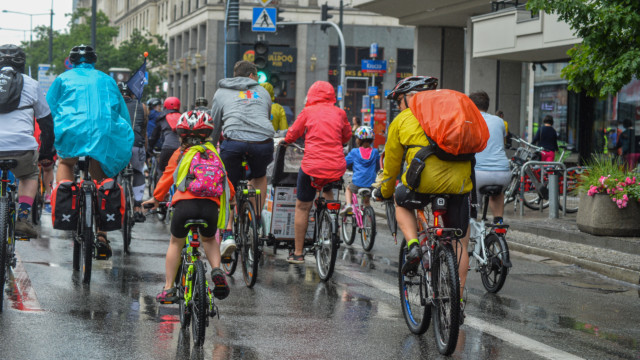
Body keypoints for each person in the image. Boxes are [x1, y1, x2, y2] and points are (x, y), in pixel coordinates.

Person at [372, 76, 473, 321]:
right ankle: (457, 302)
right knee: (459, 241)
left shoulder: (403, 120)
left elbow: (392, 167)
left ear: (409, 97)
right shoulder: (453, 113)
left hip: (423, 182)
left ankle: (414, 245)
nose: (398, 106)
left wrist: (383, 192)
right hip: (460, 181)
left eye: (399, 100)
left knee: (400, 201)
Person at [47, 44, 134, 257]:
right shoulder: (106, 79)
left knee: (66, 162)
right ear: (94, 61)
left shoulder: (62, 79)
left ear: (72, 61)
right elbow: (121, 112)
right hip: (101, 132)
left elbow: (48, 108)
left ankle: (67, 201)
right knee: (100, 170)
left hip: (71, 130)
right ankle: (102, 234)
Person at [143, 110, 234, 303]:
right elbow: (226, 183)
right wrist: (231, 199)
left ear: (181, 135)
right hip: (209, 209)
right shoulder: (213, 154)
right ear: (208, 135)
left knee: (176, 242)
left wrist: (156, 199)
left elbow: (168, 177)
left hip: (184, 208)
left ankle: (168, 289)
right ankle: (217, 270)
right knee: (209, 240)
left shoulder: (180, 154)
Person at [281, 81, 352, 264]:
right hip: (336, 166)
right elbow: (346, 136)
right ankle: (332, 220)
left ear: (311, 95)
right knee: (329, 185)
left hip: (312, 166)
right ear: (331, 95)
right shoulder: (340, 113)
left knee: (303, 206)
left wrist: (286, 141)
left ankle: (297, 253)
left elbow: (293, 133)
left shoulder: (308, 112)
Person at [210, 60, 273, 257]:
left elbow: (215, 124)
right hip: (262, 142)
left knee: (227, 183)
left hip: (233, 142)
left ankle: (228, 233)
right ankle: (254, 219)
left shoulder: (221, 93)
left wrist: (211, 147)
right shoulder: (263, 92)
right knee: (259, 176)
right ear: (252, 76)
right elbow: (265, 116)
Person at [0, 44, 55, 238]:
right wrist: (47, 154)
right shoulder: (31, 84)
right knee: (29, 174)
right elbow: (47, 124)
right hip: (22, 148)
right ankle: (23, 219)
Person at [469, 91, 510, 224]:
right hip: (503, 173)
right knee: (497, 195)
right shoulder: (499, 121)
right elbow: (502, 143)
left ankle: (472, 225)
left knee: (469, 206)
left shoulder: (468, 121)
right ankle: (498, 227)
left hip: (478, 173)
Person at [119, 82, 149, 222]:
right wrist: (145, 151)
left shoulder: (113, 105)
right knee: (138, 172)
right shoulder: (142, 107)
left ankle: (114, 203)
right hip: (136, 144)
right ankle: (137, 207)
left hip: (118, 145)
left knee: (113, 172)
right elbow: (143, 131)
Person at [340, 126, 380, 215]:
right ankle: (369, 222)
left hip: (357, 183)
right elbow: (378, 167)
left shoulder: (355, 152)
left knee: (348, 189)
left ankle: (348, 205)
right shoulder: (375, 152)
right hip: (371, 184)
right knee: (366, 203)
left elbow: (344, 163)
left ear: (358, 140)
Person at [149, 97, 182, 177]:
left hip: (167, 147)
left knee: (161, 170)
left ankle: (161, 188)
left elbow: (154, 136)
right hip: (181, 148)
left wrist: (149, 149)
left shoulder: (162, 118)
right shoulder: (183, 117)